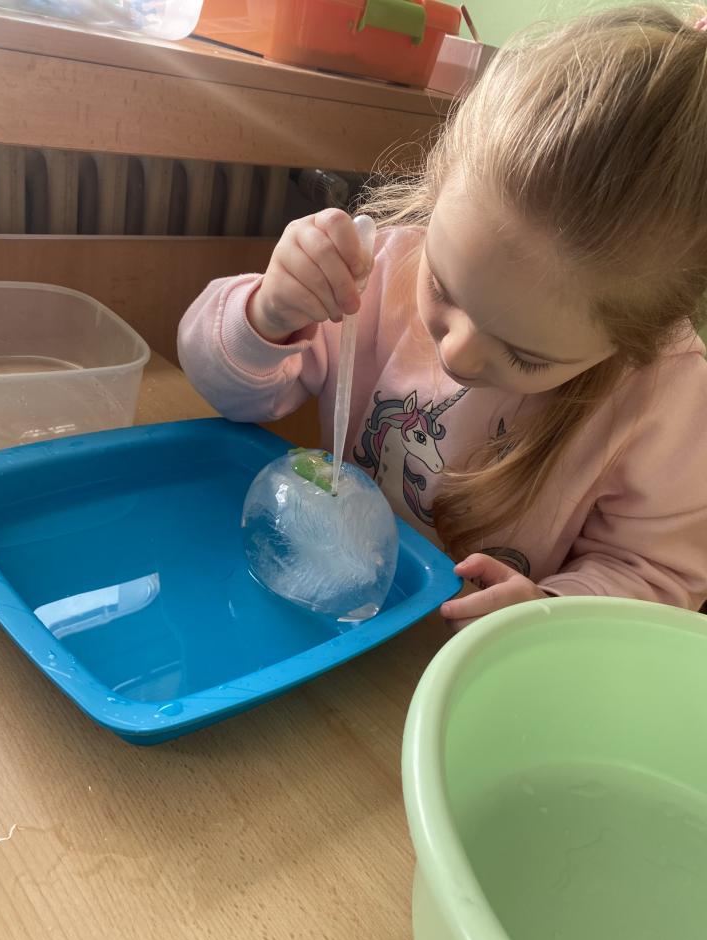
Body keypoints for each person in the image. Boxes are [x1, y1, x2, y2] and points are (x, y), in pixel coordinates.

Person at [178, 4, 707, 630]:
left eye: (525, 357)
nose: (456, 352)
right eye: (441, 287)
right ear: (438, 187)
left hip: (475, 660)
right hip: (327, 608)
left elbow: (657, 574)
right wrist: (268, 312)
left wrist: (548, 612)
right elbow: (226, 389)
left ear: (639, 341)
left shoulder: (670, 396)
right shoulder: (384, 268)